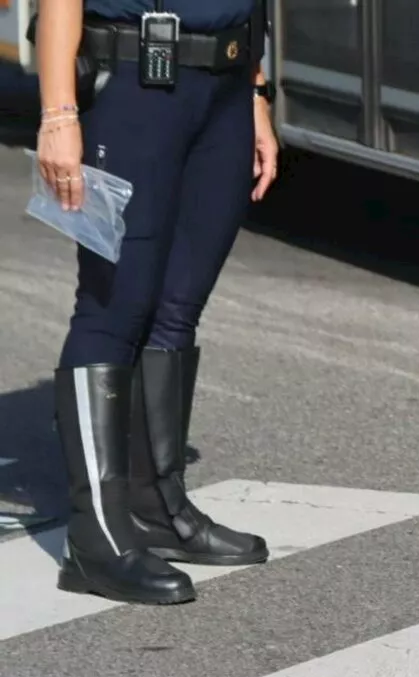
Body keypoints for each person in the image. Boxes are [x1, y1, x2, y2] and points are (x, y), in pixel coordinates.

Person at [34, 0, 280, 605]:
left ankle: (155, 507)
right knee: (113, 308)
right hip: (134, 86)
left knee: (178, 305)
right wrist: (58, 114)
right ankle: (95, 541)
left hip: (224, 89)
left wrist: (255, 93)